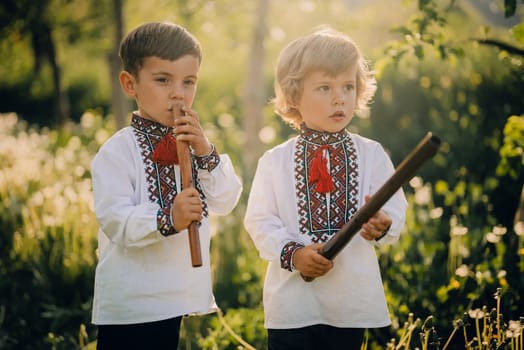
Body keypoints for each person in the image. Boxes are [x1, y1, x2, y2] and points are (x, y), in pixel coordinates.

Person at [244, 27, 408, 350]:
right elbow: (259, 222)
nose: (339, 98)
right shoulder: (275, 161)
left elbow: (394, 207)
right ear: (293, 96)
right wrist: (294, 254)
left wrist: (383, 223)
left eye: (348, 86)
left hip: (350, 302)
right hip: (292, 305)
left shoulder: (371, 154)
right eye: (324, 87)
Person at [91, 21, 242, 349]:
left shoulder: (195, 144)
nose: (178, 93)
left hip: (177, 295)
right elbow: (116, 221)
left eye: (189, 82)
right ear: (130, 84)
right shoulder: (118, 151)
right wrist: (167, 219)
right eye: (163, 80)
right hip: (132, 303)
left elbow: (227, 199)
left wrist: (206, 151)